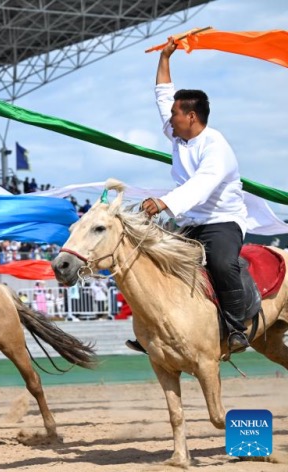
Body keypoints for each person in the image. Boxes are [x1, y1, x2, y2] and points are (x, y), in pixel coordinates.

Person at [128, 37, 249, 355]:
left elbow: (202, 185)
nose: (169, 118)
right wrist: (166, 57)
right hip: (190, 221)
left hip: (222, 221)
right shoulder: (178, 135)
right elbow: (163, 96)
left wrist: (163, 203)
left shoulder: (216, 146)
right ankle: (156, 331)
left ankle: (237, 329)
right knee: (153, 259)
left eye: (175, 114)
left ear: (191, 117)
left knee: (223, 263)